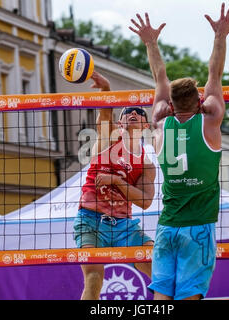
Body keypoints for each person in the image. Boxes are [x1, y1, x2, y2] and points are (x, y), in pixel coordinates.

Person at [129, 3, 229, 300]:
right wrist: (220, 35)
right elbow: (214, 72)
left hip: (168, 227)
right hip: (198, 229)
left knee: (162, 298)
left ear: (171, 105)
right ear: (200, 100)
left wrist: (150, 42)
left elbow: (159, 77)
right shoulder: (210, 120)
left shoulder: (160, 125)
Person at [74, 71, 156, 300]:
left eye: (138, 112)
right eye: (127, 112)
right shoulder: (108, 140)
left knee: (159, 270)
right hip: (90, 220)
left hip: (124, 225)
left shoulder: (146, 164)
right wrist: (106, 89)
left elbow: (146, 202)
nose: (132, 113)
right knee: (93, 278)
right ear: (119, 122)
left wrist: (117, 181)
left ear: (146, 124)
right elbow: (104, 112)